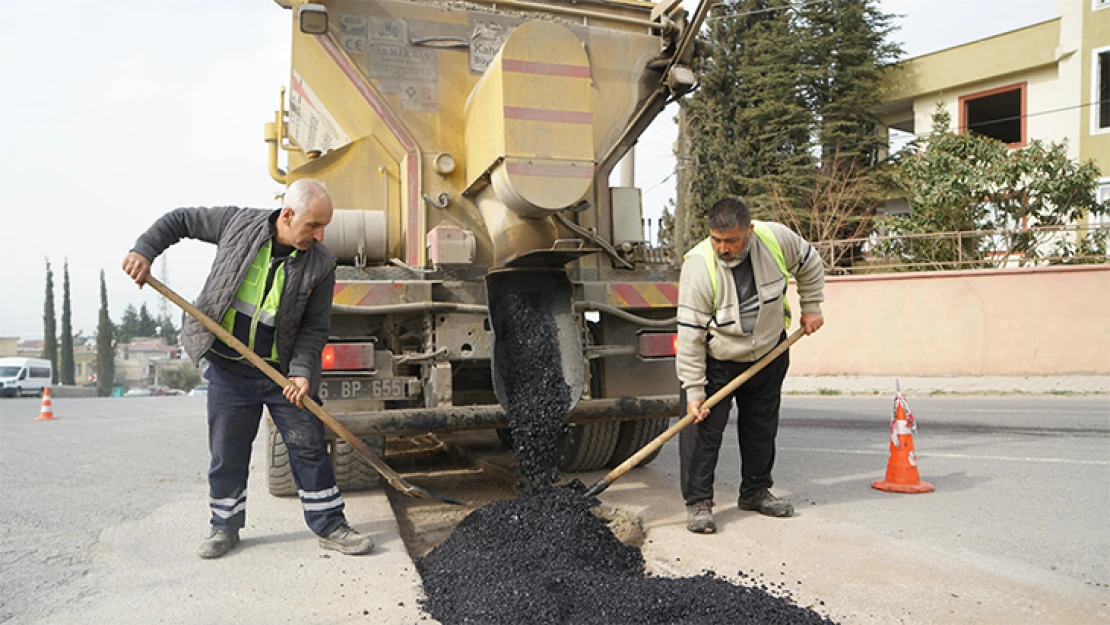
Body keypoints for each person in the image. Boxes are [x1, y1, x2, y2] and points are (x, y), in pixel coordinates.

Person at [122, 178, 375, 558]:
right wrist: (145, 250)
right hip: (228, 369)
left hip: (281, 374)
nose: (320, 235)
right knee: (227, 451)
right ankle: (224, 527)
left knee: (309, 445)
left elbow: (314, 326)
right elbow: (180, 220)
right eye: (313, 225)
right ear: (288, 215)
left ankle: (330, 524)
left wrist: (302, 371)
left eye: (325, 226)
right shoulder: (237, 223)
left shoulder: (321, 263)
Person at [676, 197, 825, 533]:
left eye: (731, 240)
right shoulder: (699, 267)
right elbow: (689, 336)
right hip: (719, 359)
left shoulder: (775, 240)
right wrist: (694, 390)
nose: (723, 248)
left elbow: (810, 262)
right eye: (716, 239)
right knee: (702, 432)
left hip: (769, 353)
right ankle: (699, 502)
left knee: (761, 425)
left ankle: (756, 491)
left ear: (750, 231)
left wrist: (812, 305)